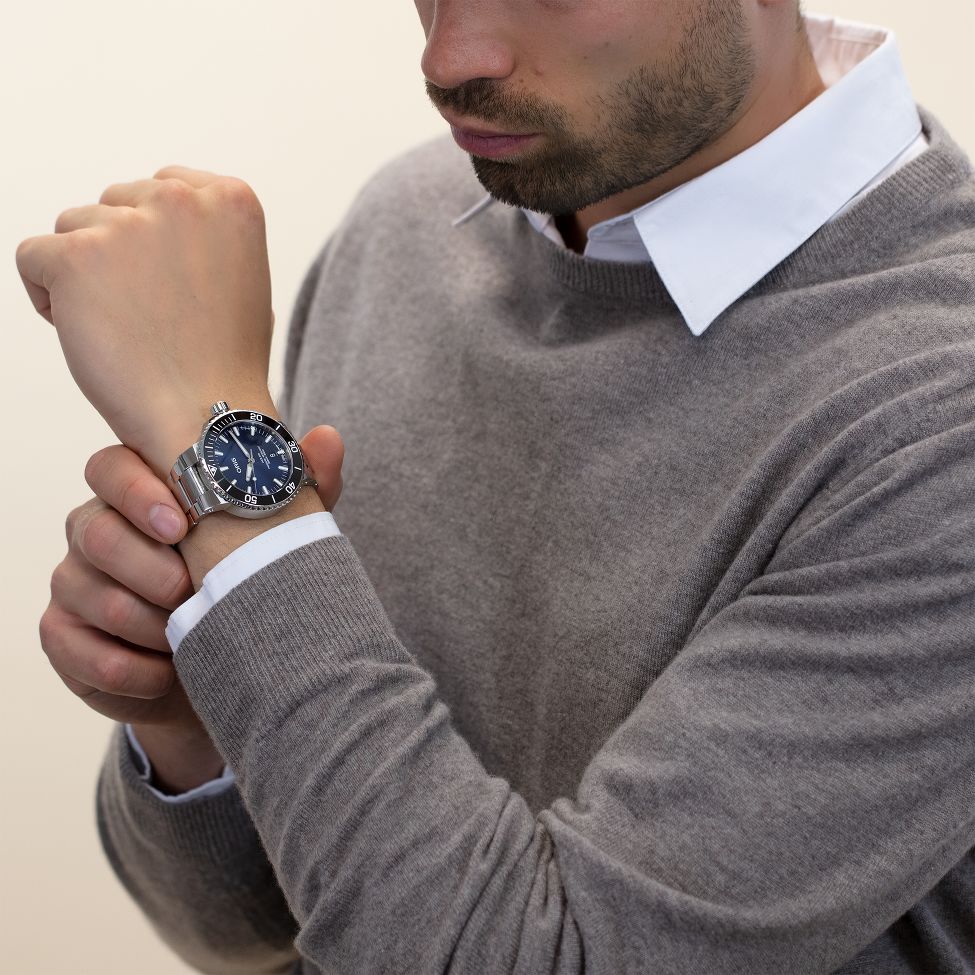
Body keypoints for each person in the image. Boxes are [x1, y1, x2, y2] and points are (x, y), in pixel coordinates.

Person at [22, 0, 974, 972]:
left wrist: (220, 449)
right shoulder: (409, 222)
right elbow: (250, 935)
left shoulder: (940, 420)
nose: (446, 58)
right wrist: (199, 717)